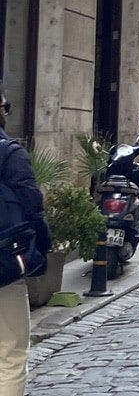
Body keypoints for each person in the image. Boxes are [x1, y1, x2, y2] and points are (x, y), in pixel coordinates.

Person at [0, 87, 51, 396]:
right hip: (3, 264)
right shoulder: (9, 153)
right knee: (10, 353)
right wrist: (41, 249)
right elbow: (31, 205)